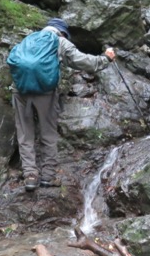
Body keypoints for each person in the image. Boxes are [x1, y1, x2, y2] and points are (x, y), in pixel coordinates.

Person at [13, 18, 115, 192]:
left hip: (20, 90)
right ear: (62, 33)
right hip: (45, 93)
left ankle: (30, 176)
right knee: (48, 133)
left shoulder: (28, 39)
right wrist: (106, 58)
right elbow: (84, 62)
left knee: (25, 133)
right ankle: (47, 176)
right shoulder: (60, 42)